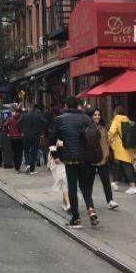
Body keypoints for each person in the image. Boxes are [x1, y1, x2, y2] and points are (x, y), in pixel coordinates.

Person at [50, 96, 98, 227]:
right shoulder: (86, 118)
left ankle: (76, 219)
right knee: (85, 186)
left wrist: (55, 155)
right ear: (77, 105)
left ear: (66, 105)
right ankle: (91, 209)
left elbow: (53, 139)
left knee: (72, 188)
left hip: (69, 158)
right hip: (85, 157)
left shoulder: (59, 119)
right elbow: (94, 135)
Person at [88, 108, 118, 210]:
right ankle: (89, 204)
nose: (97, 117)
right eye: (95, 115)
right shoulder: (87, 128)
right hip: (91, 160)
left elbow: (106, 143)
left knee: (106, 181)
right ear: (90, 116)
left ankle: (110, 201)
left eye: (99, 115)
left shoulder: (102, 128)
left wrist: (106, 155)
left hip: (102, 159)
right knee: (89, 183)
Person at [107, 104, 136, 194]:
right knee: (120, 165)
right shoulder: (127, 120)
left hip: (120, 147)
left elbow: (112, 131)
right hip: (129, 146)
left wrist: (107, 139)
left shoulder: (116, 119)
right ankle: (116, 184)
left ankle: (133, 186)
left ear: (115, 112)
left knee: (126, 165)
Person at [18, 104, 46, 174]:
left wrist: (21, 131)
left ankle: (28, 164)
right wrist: (41, 131)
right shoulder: (38, 115)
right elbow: (45, 122)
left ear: (28, 109)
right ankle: (32, 169)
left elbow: (18, 123)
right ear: (34, 109)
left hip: (26, 135)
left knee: (26, 151)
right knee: (33, 152)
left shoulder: (24, 115)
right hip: (36, 136)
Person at [48, 140, 69, 212]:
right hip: (59, 164)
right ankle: (68, 204)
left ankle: (65, 203)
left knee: (65, 183)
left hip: (67, 162)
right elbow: (52, 146)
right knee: (64, 183)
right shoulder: (56, 138)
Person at [4, 107, 24, 172]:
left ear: (15, 112)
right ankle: (18, 166)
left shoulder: (10, 118)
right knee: (19, 153)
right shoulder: (22, 118)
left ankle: (16, 167)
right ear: (21, 112)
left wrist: (8, 132)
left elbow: (5, 125)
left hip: (12, 138)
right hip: (20, 137)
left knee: (14, 152)